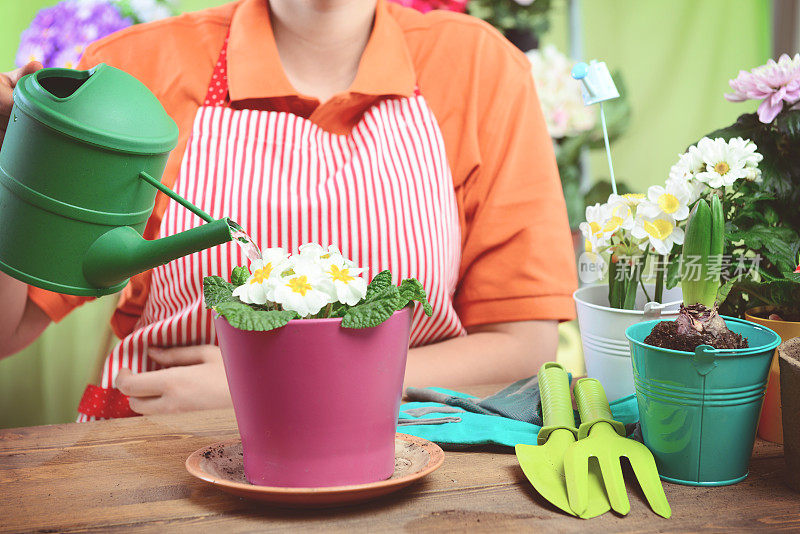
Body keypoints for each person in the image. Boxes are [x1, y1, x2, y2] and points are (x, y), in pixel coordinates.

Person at [0, 0, 577, 420]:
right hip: (157, 459)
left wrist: (276, 385)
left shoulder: (479, 68)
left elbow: (522, 348)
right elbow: (11, 326)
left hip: (401, 452)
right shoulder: (139, 68)